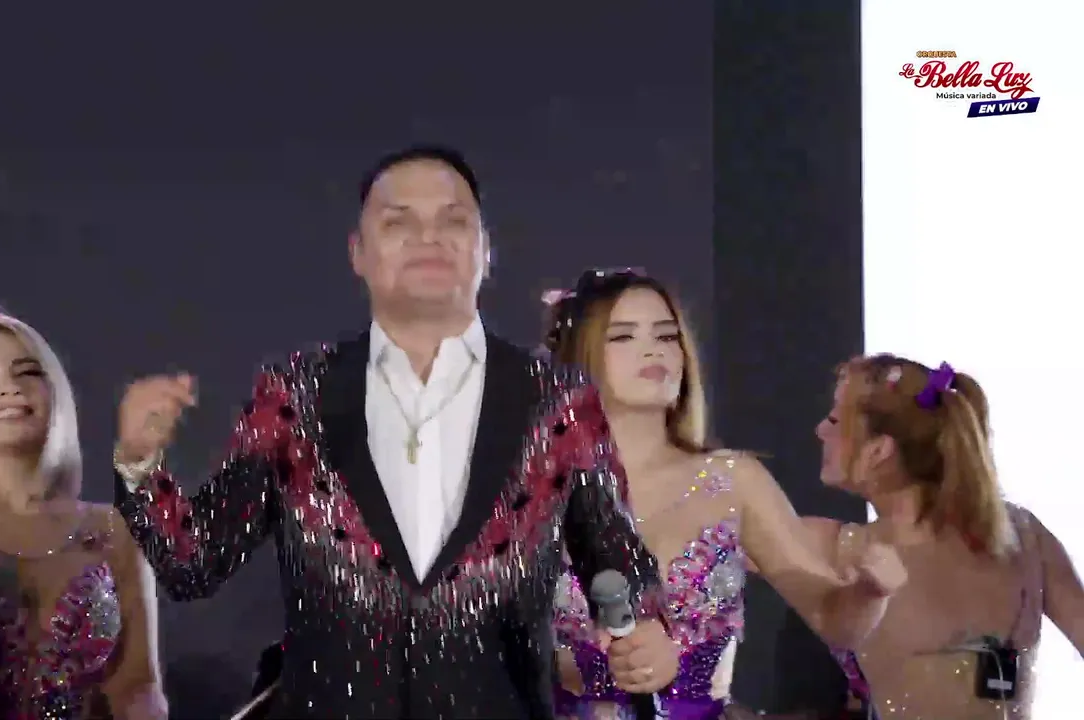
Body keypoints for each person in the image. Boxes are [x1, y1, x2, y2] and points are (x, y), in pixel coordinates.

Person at [113, 145, 681, 718]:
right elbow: (193, 562)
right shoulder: (297, 396)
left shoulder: (558, 400)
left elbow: (618, 560)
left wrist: (647, 632)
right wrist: (140, 462)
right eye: (398, 222)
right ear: (358, 253)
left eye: (452, 220)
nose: (427, 237)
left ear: (486, 250)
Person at [543, 269, 906, 720]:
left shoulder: (734, 480)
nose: (654, 349)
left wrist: (870, 592)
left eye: (667, 335)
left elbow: (832, 616)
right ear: (579, 355)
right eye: (623, 336)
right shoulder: (537, 491)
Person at [0, 310, 167, 719]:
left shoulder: (114, 530)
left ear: (54, 394)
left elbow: (139, 686)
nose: (9, 387)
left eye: (28, 371)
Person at [807, 355, 1083, 719]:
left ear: (878, 451)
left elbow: (732, 510)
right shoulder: (1025, 534)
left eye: (834, 420)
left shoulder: (840, 549)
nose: (820, 431)